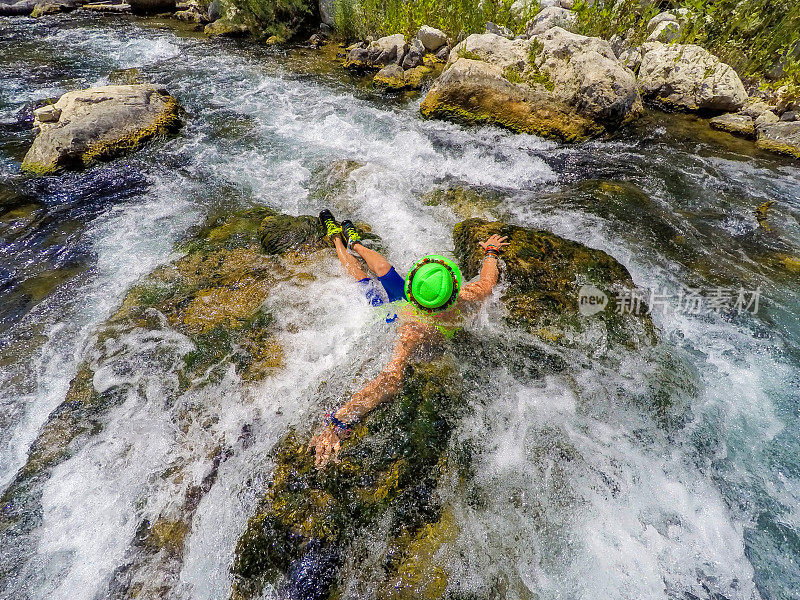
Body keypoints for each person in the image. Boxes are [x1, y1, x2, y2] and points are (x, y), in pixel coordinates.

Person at [309, 209, 509, 468]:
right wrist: (490, 252)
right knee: (373, 275)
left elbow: (390, 379)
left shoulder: (412, 326)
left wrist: (337, 422)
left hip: (400, 309)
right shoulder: (465, 301)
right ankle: (349, 241)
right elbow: (487, 280)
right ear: (454, 288)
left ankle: (341, 240)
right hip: (407, 313)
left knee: (371, 275)